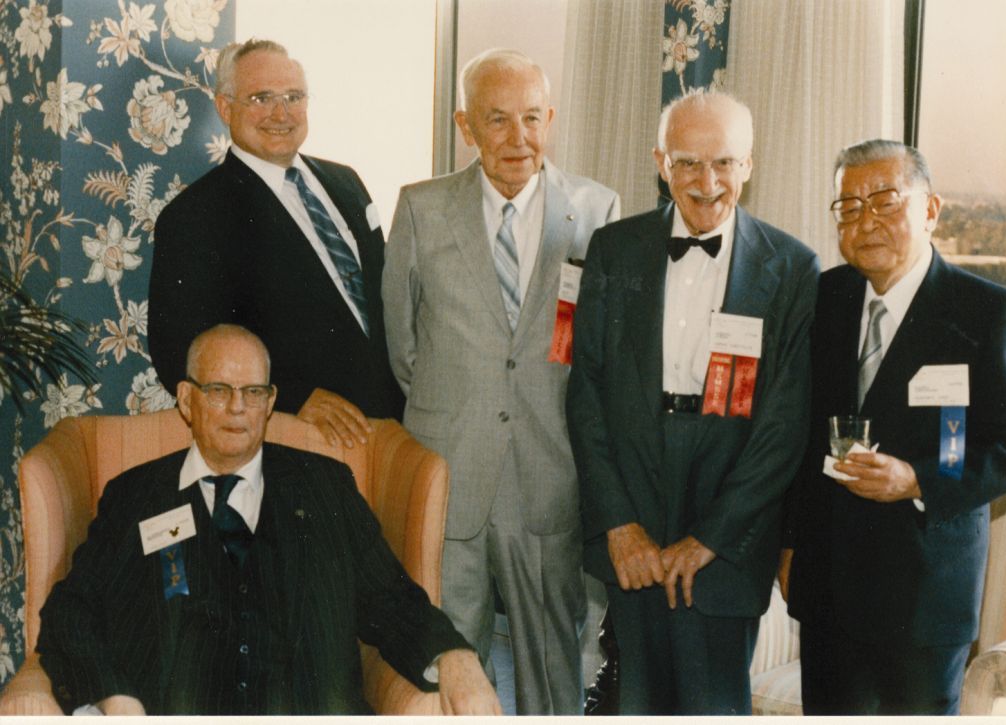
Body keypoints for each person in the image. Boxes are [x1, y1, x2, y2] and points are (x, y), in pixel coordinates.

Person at [36, 324, 501, 716]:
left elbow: (393, 599)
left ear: (271, 400)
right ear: (185, 399)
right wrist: (114, 696)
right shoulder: (136, 496)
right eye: (218, 390)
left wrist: (453, 654)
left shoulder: (325, 486)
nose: (238, 407)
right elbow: (71, 611)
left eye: (253, 392)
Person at [381, 48, 620, 714]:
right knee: (448, 663)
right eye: (498, 120)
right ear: (465, 125)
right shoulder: (422, 208)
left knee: (554, 667)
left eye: (533, 118)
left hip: (550, 478)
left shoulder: (597, 209)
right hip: (449, 473)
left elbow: (598, 352)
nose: (519, 139)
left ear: (552, 119)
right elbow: (403, 348)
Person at [566, 89, 818, 715]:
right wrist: (618, 524)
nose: (707, 183)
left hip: (728, 514)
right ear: (660, 163)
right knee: (636, 700)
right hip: (633, 504)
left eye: (724, 163)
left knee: (712, 703)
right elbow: (586, 394)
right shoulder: (612, 249)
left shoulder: (793, 268)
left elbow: (784, 426)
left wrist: (710, 537)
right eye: (687, 163)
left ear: (749, 166)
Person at [780, 139, 1006, 715]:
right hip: (829, 587)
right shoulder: (822, 298)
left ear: (930, 210)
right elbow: (794, 433)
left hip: (924, 596)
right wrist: (786, 545)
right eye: (849, 208)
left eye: (885, 201)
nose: (867, 221)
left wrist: (916, 479)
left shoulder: (987, 311)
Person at [149, 39, 401, 449]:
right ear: (225, 108)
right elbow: (177, 350)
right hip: (295, 439)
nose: (281, 114)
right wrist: (293, 395)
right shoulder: (194, 216)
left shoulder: (347, 182)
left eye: (294, 97)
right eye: (261, 98)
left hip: (388, 423)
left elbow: (385, 299)